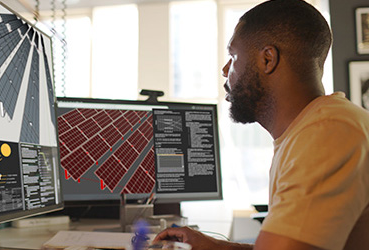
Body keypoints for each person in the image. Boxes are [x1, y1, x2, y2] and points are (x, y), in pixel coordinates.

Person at [154, 0, 369, 249]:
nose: (225, 70)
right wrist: (217, 247)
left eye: (233, 56)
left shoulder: (326, 134)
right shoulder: (312, 129)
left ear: (268, 59)